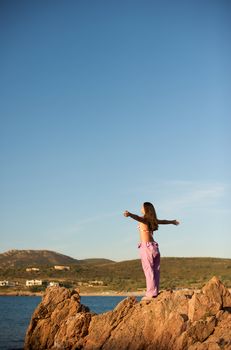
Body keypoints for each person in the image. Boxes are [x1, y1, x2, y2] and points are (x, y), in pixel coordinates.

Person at [124, 202, 180, 301]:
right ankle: (155, 291)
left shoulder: (144, 219)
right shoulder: (152, 220)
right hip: (154, 247)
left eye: (142, 206)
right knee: (155, 271)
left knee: (148, 270)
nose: (141, 207)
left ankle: (151, 294)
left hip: (146, 247)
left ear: (146, 209)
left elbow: (137, 217)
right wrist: (172, 221)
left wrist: (129, 214)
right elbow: (163, 221)